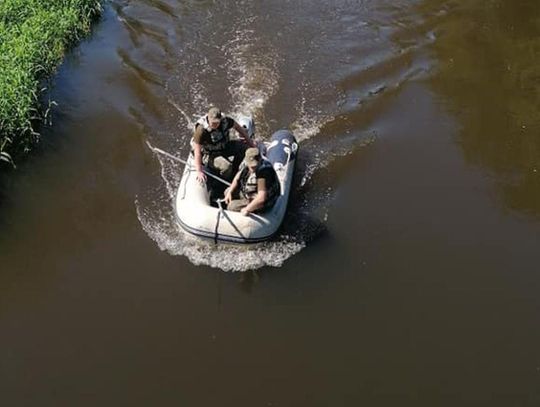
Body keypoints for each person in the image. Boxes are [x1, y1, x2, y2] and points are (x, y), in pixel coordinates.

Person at [193, 107, 254, 183]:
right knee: (226, 167)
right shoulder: (201, 130)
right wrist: (199, 171)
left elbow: (238, 128)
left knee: (243, 148)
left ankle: (234, 171)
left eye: (217, 122)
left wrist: (251, 143)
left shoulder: (225, 121)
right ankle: (225, 181)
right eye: (213, 123)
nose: (215, 125)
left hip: (224, 147)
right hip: (210, 154)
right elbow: (197, 151)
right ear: (208, 119)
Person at [224, 147, 280, 215]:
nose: (253, 168)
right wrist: (230, 191)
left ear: (259, 160)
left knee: (232, 207)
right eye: (251, 166)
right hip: (248, 192)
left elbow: (261, 198)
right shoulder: (245, 163)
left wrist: (247, 209)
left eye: (255, 166)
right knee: (227, 191)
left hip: (260, 200)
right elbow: (237, 178)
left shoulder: (264, 171)